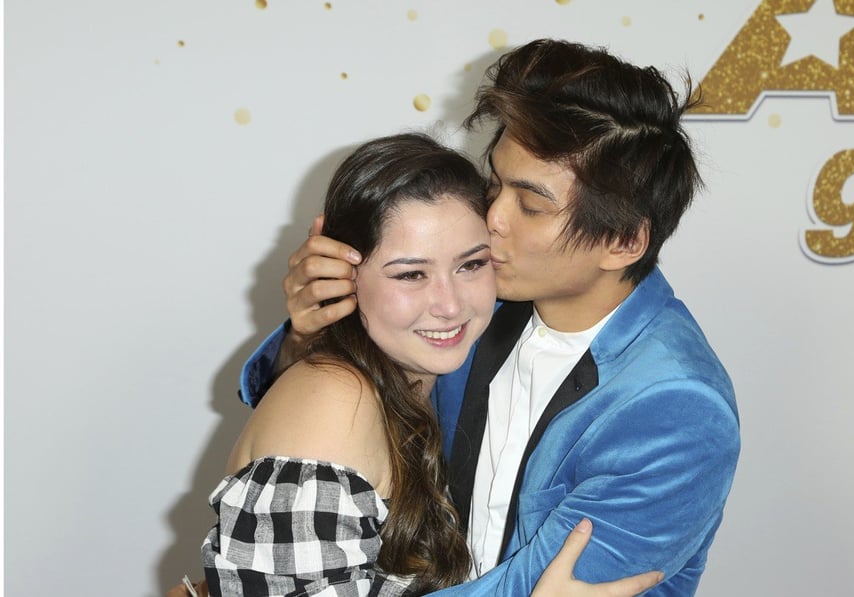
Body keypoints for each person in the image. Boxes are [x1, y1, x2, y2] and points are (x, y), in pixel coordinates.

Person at [244, 39, 740, 596]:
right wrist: (314, 328)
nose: (492, 218)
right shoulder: (474, 299)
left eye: (531, 206)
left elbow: (531, 588)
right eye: (495, 183)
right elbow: (330, 426)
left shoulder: (676, 407)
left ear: (624, 241)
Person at [186, 133, 661, 597]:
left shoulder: (423, 373)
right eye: (411, 274)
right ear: (338, 275)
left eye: (471, 265)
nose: (449, 305)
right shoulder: (335, 404)